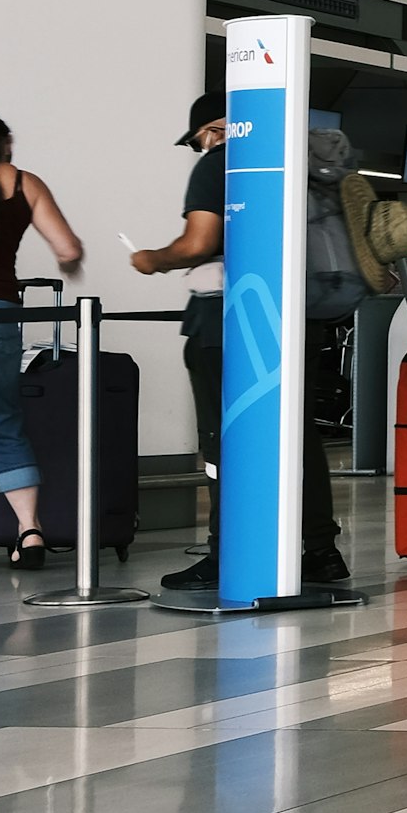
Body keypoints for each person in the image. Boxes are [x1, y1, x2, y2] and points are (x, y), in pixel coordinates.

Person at [128, 92, 350, 594]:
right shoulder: (296, 165)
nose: (198, 149)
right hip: (298, 313)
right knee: (298, 434)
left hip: (227, 318)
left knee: (222, 439)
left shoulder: (221, 162)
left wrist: (153, 259)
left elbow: (199, 242)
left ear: (213, 130)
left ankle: (226, 551)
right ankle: (320, 550)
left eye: (197, 140)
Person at [0, 116, 83, 568]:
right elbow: (68, 250)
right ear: (5, 145)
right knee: (1, 419)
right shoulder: (23, 184)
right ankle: (30, 532)